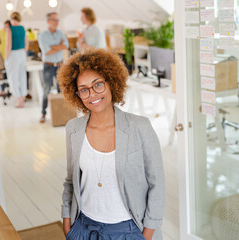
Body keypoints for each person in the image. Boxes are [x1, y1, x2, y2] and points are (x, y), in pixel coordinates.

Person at [58, 49, 165, 240]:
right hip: (84, 227)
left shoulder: (140, 127)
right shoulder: (73, 129)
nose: (92, 94)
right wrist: (67, 220)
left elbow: (157, 185)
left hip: (130, 230)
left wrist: (147, 235)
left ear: (111, 83)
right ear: (77, 95)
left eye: (98, 84)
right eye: (84, 89)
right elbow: (70, 181)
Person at [38, 12, 69, 123]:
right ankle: (43, 113)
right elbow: (47, 51)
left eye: (57, 20)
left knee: (62, 90)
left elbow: (66, 46)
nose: (57, 22)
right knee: (46, 90)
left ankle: (63, 113)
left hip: (60, 65)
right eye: (54, 20)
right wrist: (59, 46)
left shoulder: (60, 33)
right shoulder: (42, 35)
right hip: (48, 66)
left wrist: (53, 46)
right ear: (48, 21)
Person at [5, 12, 28, 108]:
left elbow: (8, 45)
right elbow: (26, 43)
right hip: (22, 53)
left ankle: (19, 100)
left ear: (11, 18)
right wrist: (24, 54)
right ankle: (23, 97)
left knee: (13, 77)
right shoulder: (23, 28)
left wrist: (6, 58)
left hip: (13, 54)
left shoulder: (10, 29)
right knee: (22, 76)